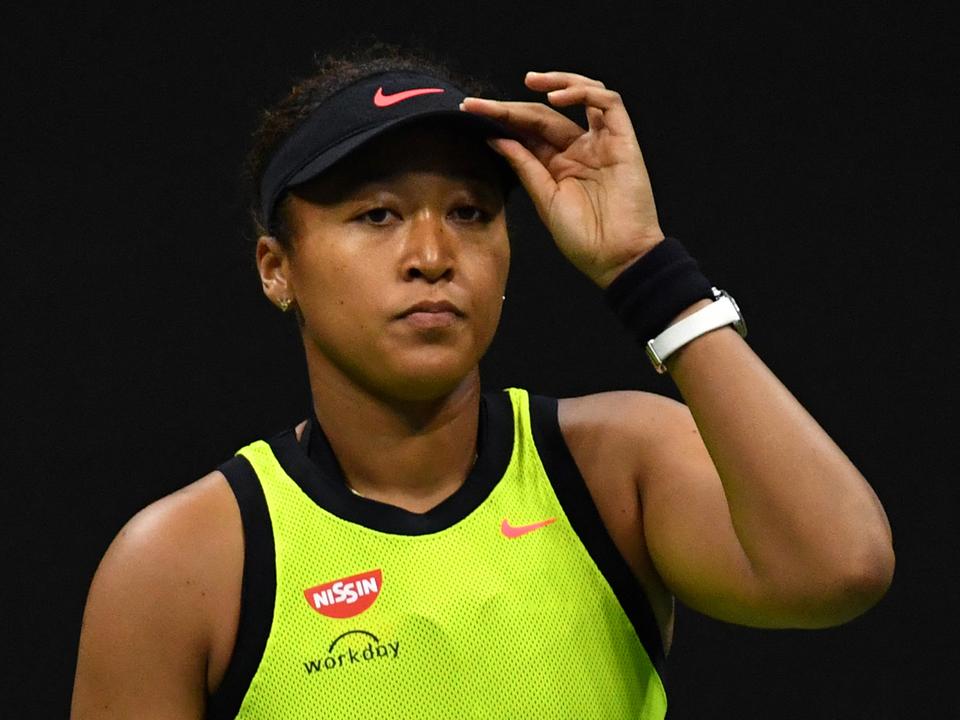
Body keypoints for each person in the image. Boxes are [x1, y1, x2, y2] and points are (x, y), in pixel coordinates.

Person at [71, 44, 895, 719]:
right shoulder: (185, 562)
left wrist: (645, 270)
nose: (433, 255)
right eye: (378, 214)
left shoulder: (612, 468)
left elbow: (840, 566)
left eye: (469, 212)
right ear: (275, 268)